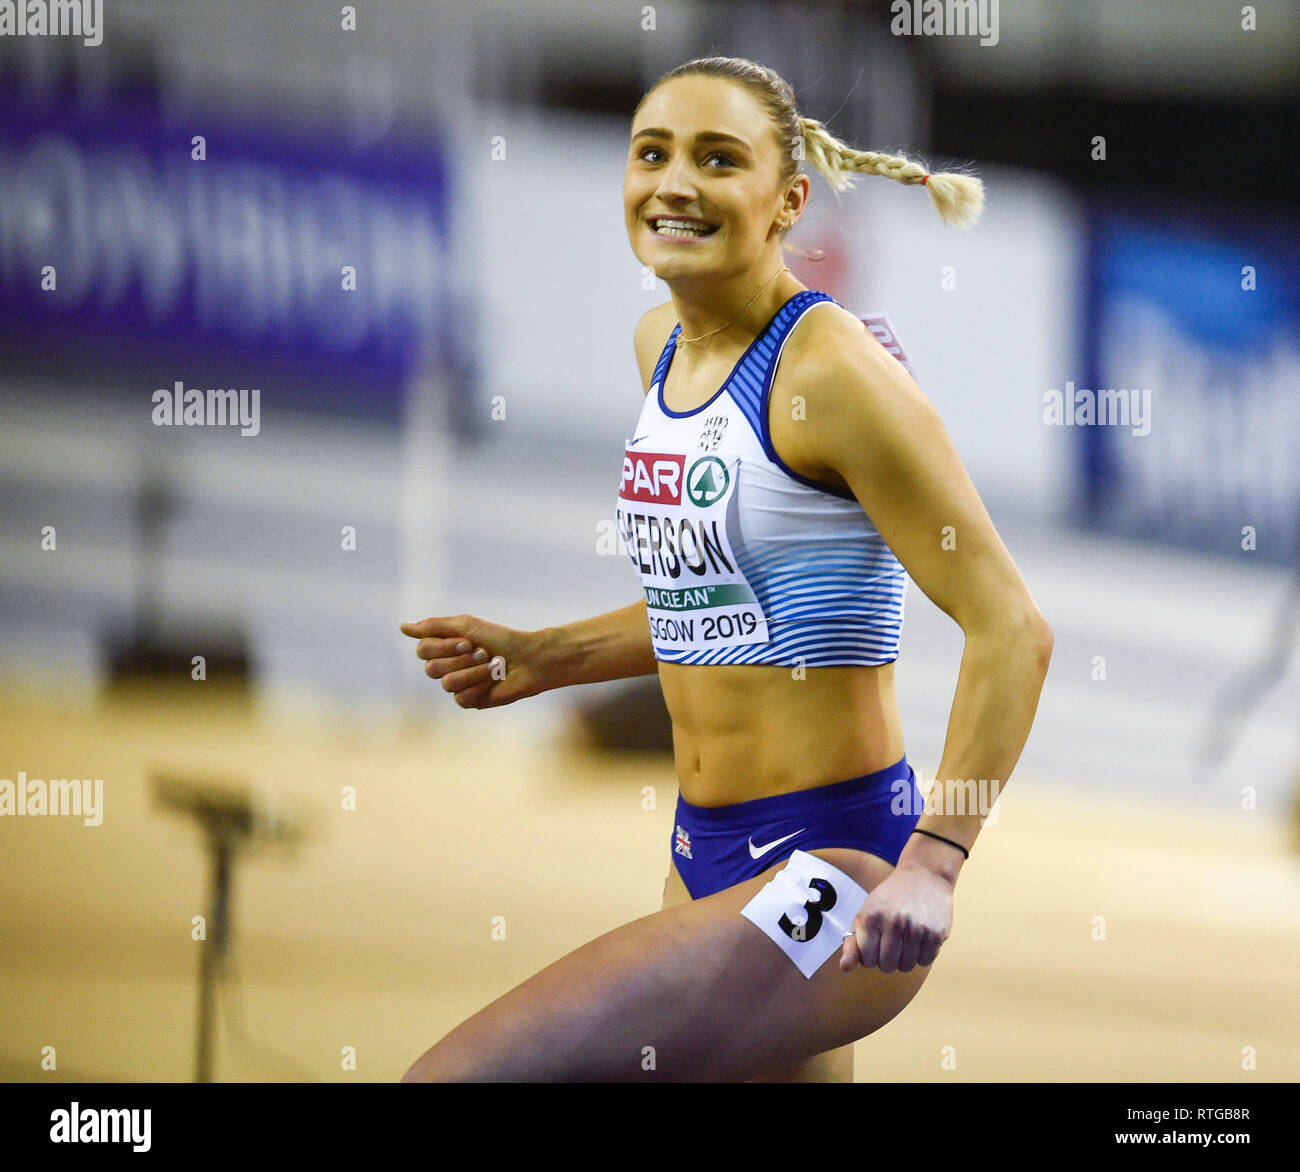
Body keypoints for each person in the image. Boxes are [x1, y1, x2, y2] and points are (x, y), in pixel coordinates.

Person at [399, 56, 1052, 1082]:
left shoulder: (833, 372)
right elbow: (722, 608)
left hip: (836, 872)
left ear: (789, 200)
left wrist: (935, 862)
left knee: (457, 1077)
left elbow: (1012, 626)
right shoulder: (659, 346)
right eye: (651, 153)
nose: (674, 183)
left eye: (717, 159)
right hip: (701, 851)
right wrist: (546, 655)